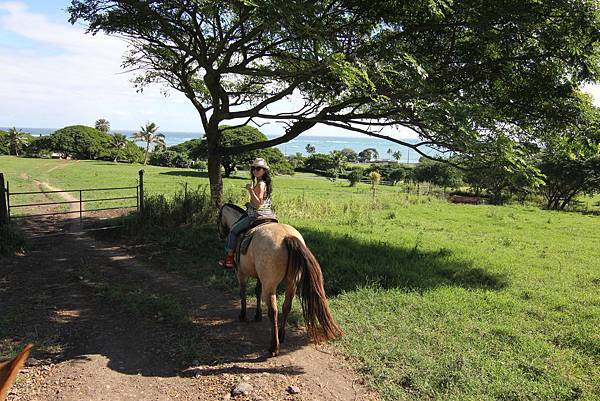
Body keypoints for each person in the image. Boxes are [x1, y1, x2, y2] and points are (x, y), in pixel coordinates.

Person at [219, 158, 276, 268]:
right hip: (270, 215)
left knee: (234, 231)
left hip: (256, 215)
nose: (255, 170)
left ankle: (230, 259)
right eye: (253, 168)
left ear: (264, 171)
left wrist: (250, 191)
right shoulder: (265, 183)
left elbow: (258, 204)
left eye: (258, 168)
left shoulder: (260, 184)